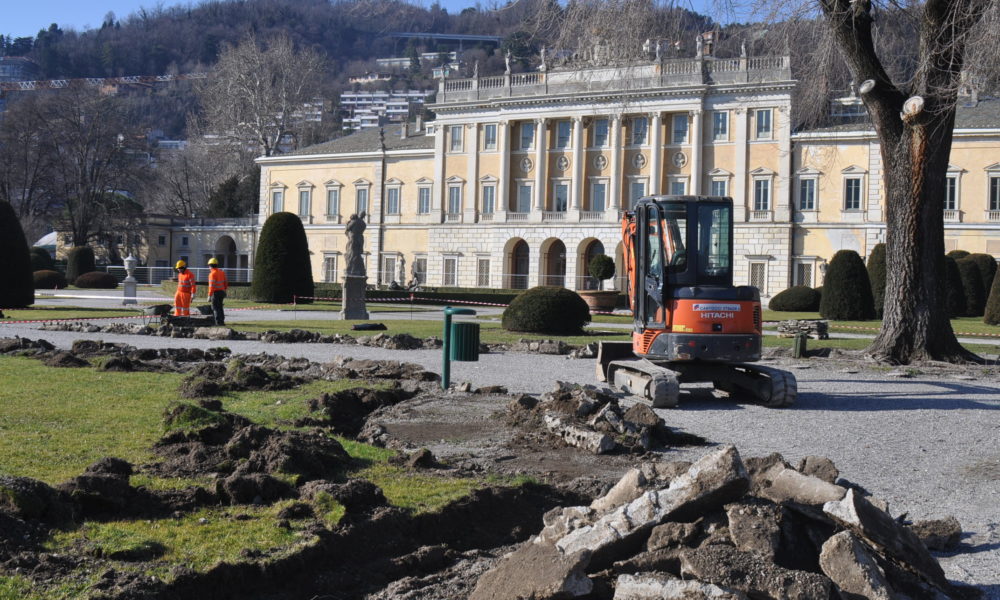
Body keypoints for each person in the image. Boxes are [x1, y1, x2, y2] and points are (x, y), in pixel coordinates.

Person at [207, 257, 228, 325]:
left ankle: (218, 322)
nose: (208, 267)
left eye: (209, 266)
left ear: (210, 266)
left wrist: (209, 295)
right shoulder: (222, 272)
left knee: (215, 308)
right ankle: (222, 321)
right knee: (220, 307)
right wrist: (225, 290)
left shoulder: (212, 274)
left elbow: (211, 286)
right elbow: (225, 283)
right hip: (222, 292)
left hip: (215, 293)